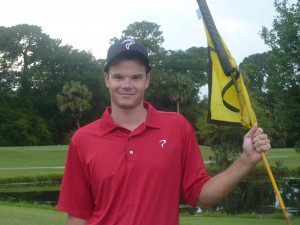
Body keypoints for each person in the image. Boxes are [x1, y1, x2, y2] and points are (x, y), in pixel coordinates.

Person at [56, 38, 271, 225]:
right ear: (107, 80)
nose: (127, 84)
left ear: (147, 80)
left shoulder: (177, 128)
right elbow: (78, 216)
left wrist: (247, 159)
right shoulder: (83, 139)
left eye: (136, 77)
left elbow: (201, 196)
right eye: (119, 77)